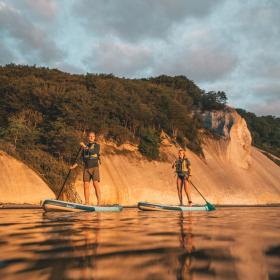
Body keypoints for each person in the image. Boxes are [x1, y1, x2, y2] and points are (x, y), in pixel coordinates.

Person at [71, 131, 101, 205]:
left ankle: (99, 202)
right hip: (86, 168)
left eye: (92, 136)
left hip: (94, 167)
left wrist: (84, 146)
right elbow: (81, 158)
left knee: (95, 184)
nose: (91, 137)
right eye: (90, 136)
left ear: (94, 137)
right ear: (88, 137)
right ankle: (87, 202)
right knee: (85, 186)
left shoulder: (97, 145)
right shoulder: (85, 146)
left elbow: (93, 152)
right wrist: (74, 166)